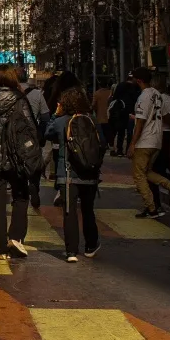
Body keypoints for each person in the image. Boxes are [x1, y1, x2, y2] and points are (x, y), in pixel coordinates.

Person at [0, 67, 36, 259]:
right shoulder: (19, 99)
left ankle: (1, 248)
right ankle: (15, 238)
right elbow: (30, 128)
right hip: (16, 158)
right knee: (21, 196)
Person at [46, 86, 101, 263]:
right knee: (88, 210)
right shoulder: (91, 120)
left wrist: (55, 114)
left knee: (69, 212)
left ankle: (71, 251)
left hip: (67, 173)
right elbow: (103, 144)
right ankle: (91, 246)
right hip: (90, 174)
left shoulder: (61, 121)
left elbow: (47, 133)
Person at [129, 67, 170, 218]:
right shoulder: (157, 95)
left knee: (139, 175)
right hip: (157, 140)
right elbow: (162, 115)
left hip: (144, 141)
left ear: (138, 80)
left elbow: (141, 122)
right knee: (147, 172)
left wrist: (132, 143)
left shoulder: (144, 97)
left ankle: (151, 208)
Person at [108, 70, 142, 155]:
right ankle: (128, 149)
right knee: (130, 132)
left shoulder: (120, 85)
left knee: (121, 131)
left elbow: (115, 98)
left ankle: (120, 150)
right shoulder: (136, 87)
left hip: (121, 111)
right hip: (132, 112)